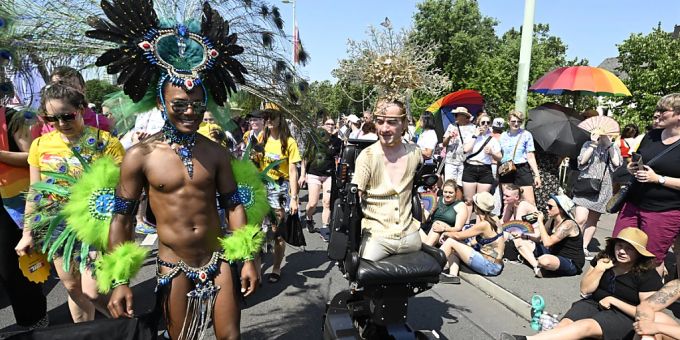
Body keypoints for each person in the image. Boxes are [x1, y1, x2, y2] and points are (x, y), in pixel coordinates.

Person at [88, 3, 262, 338]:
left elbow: (233, 205)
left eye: (197, 105)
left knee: (231, 336)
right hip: (173, 265)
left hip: (218, 260)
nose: (189, 112)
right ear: (161, 103)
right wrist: (120, 280)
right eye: (179, 105)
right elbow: (122, 219)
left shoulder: (216, 152)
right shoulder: (140, 156)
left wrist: (248, 257)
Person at [15, 84, 124, 323]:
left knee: (92, 291)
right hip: (58, 227)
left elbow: (123, 190)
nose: (60, 122)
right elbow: (36, 191)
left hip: (94, 225)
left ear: (81, 109)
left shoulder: (106, 143)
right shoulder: (40, 145)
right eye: (51, 118)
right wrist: (27, 233)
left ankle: (130, 326)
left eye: (67, 116)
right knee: (73, 288)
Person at [500, 227, 662, 340]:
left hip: (623, 315)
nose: (622, 251)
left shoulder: (647, 275)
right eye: (620, 246)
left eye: (629, 249)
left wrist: (614, 301)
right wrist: (599, 269)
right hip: (593, 303)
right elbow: (584, 290)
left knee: (585, 327)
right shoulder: (604, 258)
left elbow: (648, 314)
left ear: (639, 253)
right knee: (564, 326)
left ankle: (523, 339)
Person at [614, 93, 680, 277]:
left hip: (663, 210)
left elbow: (657, 175)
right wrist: (632, 168)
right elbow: (637, 159)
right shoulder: (651, 136)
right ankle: (616, 289)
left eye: (662, 110)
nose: (656, 114)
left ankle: (645, 297)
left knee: (650, 259)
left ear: (678, 115)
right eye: (656, 109)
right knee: (618, 247)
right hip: (633, 203)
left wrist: (658, 178)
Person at [0, 85, 48, 329]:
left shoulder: (13, 118)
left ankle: (34, 320)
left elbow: (32, 156)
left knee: (13, 267)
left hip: (10, 203)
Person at [352, 99, 423, 261]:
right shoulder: (367, 157)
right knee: (363, 278)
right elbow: (354, 199)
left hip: (410, 237)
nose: (384, 129)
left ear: (404, 124)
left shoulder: (414, 153)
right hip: (376, 238)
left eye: (392, 122)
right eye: (380, 121)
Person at [257, 108, 301, 283]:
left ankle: (276, 267)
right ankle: (257, 270)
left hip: (280, 189)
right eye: (266, 116)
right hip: (261, 187)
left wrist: (295, 198)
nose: (269, 120)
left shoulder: (289, 142)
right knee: (258, 231)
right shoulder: (261, 138)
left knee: (277, 232)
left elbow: (293, 170)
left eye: (272, 116)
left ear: (280, 118)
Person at [573, 133, 621, 260]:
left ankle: (583, 246)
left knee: (593, 220)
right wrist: (593, 144)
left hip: (603, 188)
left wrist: (609, 145)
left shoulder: (613, 147)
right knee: (580, 219)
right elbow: (582, 161)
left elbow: (617, 163)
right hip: (586, 185)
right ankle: (573, 245)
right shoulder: (587, 144)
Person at [438, 192, 504, 284]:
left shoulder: (484, 224)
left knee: (451, 241)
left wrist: (445, 232)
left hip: (489, 266)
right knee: (454, 247)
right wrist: (466, 245)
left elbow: (458, 235)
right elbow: (484, 239)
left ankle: (431, 267)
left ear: (477, 207)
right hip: (495, 263)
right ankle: (452, 276)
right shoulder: (494, 218)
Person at [299, 118, 342, 241]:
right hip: (314, 174)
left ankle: (325, 228)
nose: (330, 126)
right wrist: (302, 175)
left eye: (332, 124)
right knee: (313, 203)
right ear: (323, 126)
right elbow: (305, 158)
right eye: (328, 124)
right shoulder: (314, 140)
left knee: (327, 202)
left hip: (329, 175)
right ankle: (309, 218)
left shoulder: (337, 141)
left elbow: (339, 157)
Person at [40, 66, 112, 134]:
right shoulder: (48, 125)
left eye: (70, 86)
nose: (63, 91)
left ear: (83, 88)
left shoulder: (100, 123)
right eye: (57, 86)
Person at [530, 194, 585, 277]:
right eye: (547, 205)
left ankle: (537, 264)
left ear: (561, 209)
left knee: (544, 260)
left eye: (550, 206)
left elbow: (547, 243)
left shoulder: (568, 224)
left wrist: (540, 222)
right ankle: (537, 265)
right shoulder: (552, 219)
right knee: (522, 242)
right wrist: (526, 237)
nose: (546, 208)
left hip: (571, 262)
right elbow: (541, 239)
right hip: (554, 254)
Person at [462, 114, 501, 222]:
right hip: (471, 168)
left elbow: (499, 157)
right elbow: (466, 149)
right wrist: (475, 136)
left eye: (488, 123)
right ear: (478, 123)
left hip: (485, 169)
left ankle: (479, 226)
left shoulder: (492, 139)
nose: (485, 125)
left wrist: (492, 153)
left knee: (481, 201)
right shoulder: (471, 135)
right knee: (469, 200)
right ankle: (466, 223)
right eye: (483, 122)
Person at [498, 110, 541, 205]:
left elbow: (530, 156)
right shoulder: (503, 136)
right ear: (508, 122)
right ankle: (510, 220)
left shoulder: (526, 135)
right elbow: (499, 155)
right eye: (513, 121)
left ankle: (532, 219)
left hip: (522, 168)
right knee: (508, 202)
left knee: (529, 202)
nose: (516, 124)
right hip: (506, 168)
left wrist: (537, 175)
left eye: (519, 121)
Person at [501, 184, 541, 277]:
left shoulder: (523, 205)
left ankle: (536, 266)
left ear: (516, 197)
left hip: (535, 237)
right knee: (502, 234)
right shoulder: (510, 205)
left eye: (507, 196)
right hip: (524, 234)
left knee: (516, 239)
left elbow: (516, 228)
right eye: (504, 195)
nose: (503, 198)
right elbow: (503, 222)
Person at [421, 179, 468, 247]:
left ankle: (425, 248)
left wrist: (443, 228)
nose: (447, 195)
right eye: (445, 192)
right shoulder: (437, 199)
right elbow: (424, 221)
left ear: (456, 192)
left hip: (446, 232)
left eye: (450, 192)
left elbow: (458, 228)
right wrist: (422, 210)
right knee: (414, 223)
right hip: (431, 228)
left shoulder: (460, 205)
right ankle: (426, 248)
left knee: (437, 225)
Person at [442, 107, 476, 192]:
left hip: (465, 161)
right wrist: (449, 137)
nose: (455, 116)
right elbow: (444, 143)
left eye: (458, 115)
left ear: (464, 116)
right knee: (449, 184)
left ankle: (458, 202)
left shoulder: (473, 128)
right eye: (455, 115)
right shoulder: (451, 126)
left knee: (461, 185)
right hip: (451, 161)